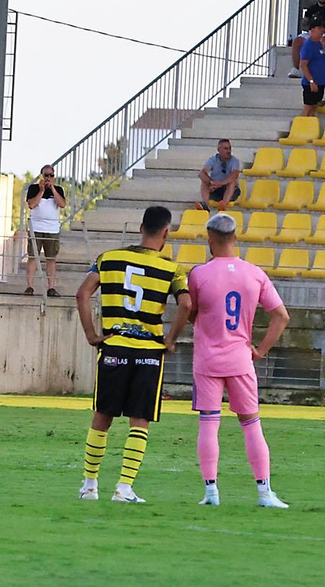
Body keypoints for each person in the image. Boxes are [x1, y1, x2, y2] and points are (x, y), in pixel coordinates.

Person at [75, 205, 192, 503]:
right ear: (165, 233)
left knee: (102, 415)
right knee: (139, 420)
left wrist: (92, 334)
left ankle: (89, 485)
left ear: (141, 228)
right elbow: (187, 305)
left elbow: (82, 293)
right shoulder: (171, 268)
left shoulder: (108, 258)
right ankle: (124, 488)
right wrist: (170, 338)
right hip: (149, 352)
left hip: (114, 346)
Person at [176, 213, 291, 508]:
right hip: (240, 359)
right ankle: (265, 493)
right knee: (251, 424)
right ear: (236, 238)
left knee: (208, 424)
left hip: (208, 360)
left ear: (210, 239)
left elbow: (191, 311)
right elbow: (281, 316)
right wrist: (261, 349)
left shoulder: (199, 274)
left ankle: (211, 492)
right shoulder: (254, 273)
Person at [24, 164, 66, 296]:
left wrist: (52, 189)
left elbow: (62, 204)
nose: (48, 178)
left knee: (51, 258)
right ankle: (30, 286)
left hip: (52, 229)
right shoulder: (33, 188)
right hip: (36, 227)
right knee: (33, 256)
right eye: (46, 175)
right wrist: (41, 191)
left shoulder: (58, 189)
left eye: (51, 175)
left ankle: (51, 287)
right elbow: (31, 204)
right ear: (41, 176)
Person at [196, 139, 242, 211]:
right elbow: (202, 173)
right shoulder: (213, 159)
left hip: (231, 191)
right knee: (204, 181)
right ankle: (206, 205)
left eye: (230, 148)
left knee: (231, 182)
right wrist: (211, 182)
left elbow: (234, 174)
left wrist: (221, 183)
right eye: (225, 148)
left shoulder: (234, 161)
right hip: (216, 188)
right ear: (219, 149)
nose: (228, 151)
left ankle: (224, 205)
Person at [298, 23, 325, 117]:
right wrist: (311, 81)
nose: (322, 31)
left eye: (322, 28)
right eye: (319, 28)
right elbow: (304, 64)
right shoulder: (308, 45)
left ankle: (309, 128)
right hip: (312, 82)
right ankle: (301, 127)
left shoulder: (319, 44)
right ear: (312, 30)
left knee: (314, 107)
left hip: (320, 82)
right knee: (308, 107)